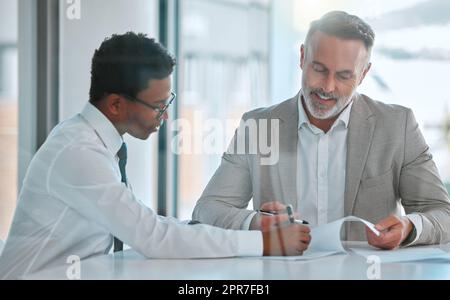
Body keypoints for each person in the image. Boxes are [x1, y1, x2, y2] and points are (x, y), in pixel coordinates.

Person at [0, 32, 311, 279]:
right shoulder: (79, 153)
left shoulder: (97, 143)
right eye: (157, 106)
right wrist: (266, 244)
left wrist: (252, 226)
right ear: (115, 105)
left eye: (168, 102)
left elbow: (145, 224)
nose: (164, 117)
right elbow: (152, 237)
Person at [192, 11, 450, 250]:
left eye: (344, 76)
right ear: (302, 57)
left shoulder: (397, 125)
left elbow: (442, 215)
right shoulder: (258, 126)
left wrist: (410, 226)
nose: (327, 87)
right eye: (319, 69)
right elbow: (207, 209)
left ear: (363, 74)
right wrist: (258, 224)